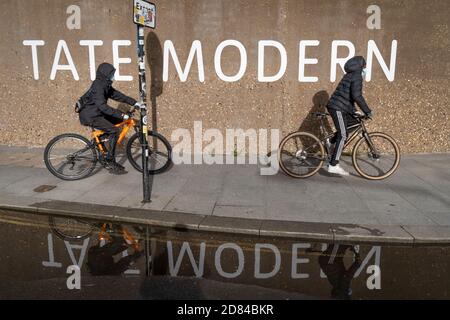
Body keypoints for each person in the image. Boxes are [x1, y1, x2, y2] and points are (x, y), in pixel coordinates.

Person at [78, 63, 142, 174]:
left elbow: (118, 95)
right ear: (105, 74)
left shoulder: (104, 84)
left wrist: (135, 103)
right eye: (112, 74)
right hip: (90, 115)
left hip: (95, 112)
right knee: (114, 130)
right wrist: (122, 114)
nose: (114, 76)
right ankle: (110, 160)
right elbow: (102, 107)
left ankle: (102, 141)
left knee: (118, 121)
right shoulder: (98, 86)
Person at [326, 56, 373, 176]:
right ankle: (333, 165)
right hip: (338, 108)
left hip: (340, 106)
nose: (365, 69)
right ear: (360, 66)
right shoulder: (357, 76)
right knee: (343, 135)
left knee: (353, 124)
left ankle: (330, 141)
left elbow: (348, 96)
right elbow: (357, 96)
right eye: (365, 67)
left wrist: (354, 111)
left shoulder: (350, 75)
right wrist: (367, 111)